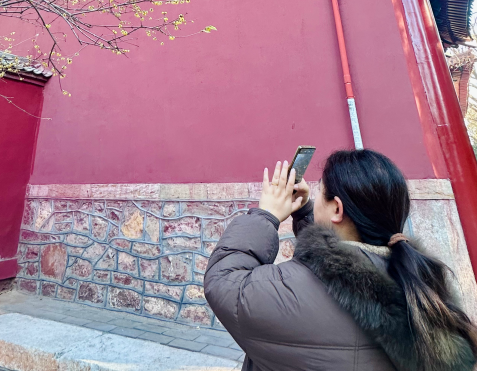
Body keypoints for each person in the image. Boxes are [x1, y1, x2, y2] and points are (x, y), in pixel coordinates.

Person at [204, 149, 477, 371]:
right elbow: (335, 259)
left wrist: (266, 215)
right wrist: (307, 213)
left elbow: (224, 282)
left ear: (337, 208)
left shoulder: (290, 291)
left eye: (320, 192)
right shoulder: (422, 282)